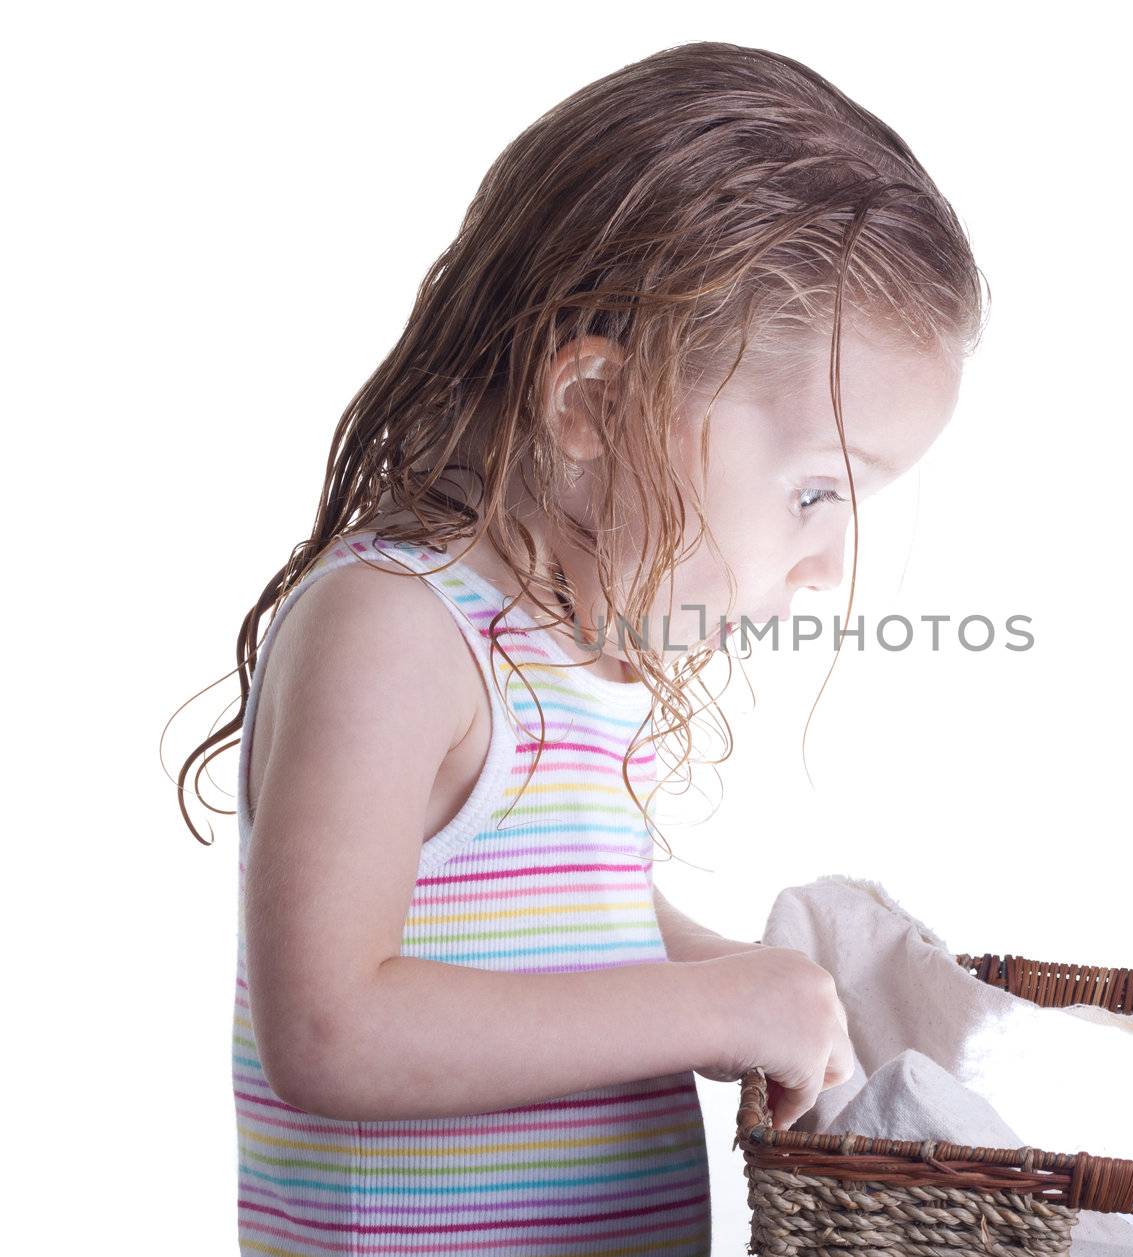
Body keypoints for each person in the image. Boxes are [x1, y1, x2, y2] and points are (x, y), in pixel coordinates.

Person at [178, 39, 984, 1256]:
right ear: (595, 408)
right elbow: (332, 1028)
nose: (830, 565)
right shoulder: (395, 629)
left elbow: (573, 922)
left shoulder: (566, 648)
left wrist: (751, 980)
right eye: (819, 492)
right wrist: (705, 1005)